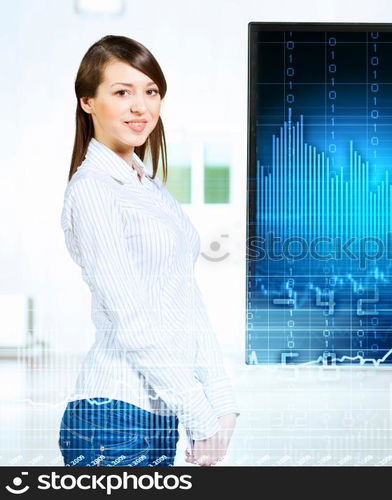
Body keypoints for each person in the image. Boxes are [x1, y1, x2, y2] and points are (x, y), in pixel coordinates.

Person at [59, 35, 239, 467]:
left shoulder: (151, 190)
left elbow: (186, 302)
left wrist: (223, 404)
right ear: (88, 102)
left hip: (158, 418)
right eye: (122, 92)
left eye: (151, 91)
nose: (141, 106)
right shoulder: (93, 192)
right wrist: (199, 415)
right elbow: (132, 318)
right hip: (112, 419)